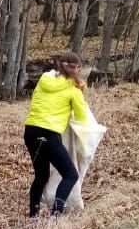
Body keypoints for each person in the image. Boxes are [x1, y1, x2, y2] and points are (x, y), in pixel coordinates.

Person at [24, 52, 90, 218]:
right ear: (76, 69)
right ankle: (56, 214)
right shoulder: (74, 89)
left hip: (31, 131)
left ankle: (33, 215)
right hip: (49, 135)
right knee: (70, 174)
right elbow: (82, 116)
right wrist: (80, 95)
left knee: (41, 175)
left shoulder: (44, 79)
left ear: (60, 65)